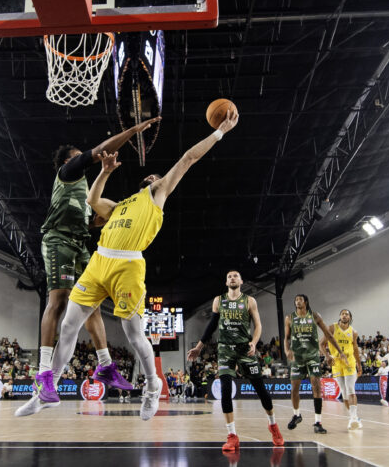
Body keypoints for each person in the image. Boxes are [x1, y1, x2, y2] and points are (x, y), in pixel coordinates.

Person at [21, 109, 240, 420]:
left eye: (158, 176)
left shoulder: (158, 194)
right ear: (142, 182)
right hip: (99, 262)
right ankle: (45, 392)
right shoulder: (121, 205)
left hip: (128, 267)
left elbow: (189, 157)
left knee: (134, 335)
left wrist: (220, 133)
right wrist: (106, 171)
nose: (156, 176)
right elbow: (93, 200)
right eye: (151, 176)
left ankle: (152, 386)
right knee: (69, 325)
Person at [17, 117, 160, 417]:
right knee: (57, 301)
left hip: (81, 244)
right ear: (71, 161)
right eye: (80, 156)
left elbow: (93, 221)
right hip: (58, 240)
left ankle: (105, 365)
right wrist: (132, 132)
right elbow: (99, 150)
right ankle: (44, 376)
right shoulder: (67, 174)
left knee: (90, 307)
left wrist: (120, 216)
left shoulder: (84, 191)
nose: (85, 160)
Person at [187, 270, 284, 452]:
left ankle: (273, 426)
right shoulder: (219, 300)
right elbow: (212, 326)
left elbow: (258, 325)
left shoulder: (249, 301)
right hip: (225, 350)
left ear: (241, 281)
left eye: (235, 276)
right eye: (229, 276)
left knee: (261, 390)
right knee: (225, 391)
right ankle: (232, 435)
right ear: (226, 282)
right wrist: (199, 347)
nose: (232, 278)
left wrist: (254, 343)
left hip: (245, 349)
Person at [284, 294, 347, 434]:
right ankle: (296, 415)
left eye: (300, 299)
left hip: (312, 356)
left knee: (316, 387)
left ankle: (318, 422)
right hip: (297, 357)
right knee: (294, 388)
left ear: (305, 301)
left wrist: (338, 351)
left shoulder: (315, 315)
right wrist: (287, 350)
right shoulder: (289, 318)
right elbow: (286, 338)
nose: (297, 301)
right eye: (295, 300)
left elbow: (328, 335)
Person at [320, 309, 362, 430]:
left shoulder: (353, 332)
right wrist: (327, 356)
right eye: (342, 313)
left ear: (350, 317)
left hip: (349, 362)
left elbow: (355, 349)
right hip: (336, 362)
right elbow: (321, 344)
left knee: (350, 389)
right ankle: (354, 418)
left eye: (347, 314)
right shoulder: (332, 328)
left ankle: (353, 419)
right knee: (344, 392)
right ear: (340, 316)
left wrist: (359, 365)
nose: (344, 315)